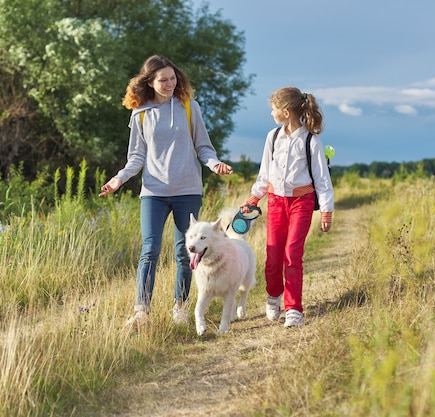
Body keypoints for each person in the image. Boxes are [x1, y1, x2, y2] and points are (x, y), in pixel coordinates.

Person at [99, 55, 233, 326]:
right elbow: (136, 157)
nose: (170, 83)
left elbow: (203, 147)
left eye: (173, 78)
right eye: (163, 80)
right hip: (153, 192)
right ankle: (141, 311)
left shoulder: (188, 107)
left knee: (186, 251)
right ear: (150, 82)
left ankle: (180, 307)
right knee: (149, 250)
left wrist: (214, 163)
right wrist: (118, 179)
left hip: (188, 190)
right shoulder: (140, 114)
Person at [240, 87, 334, 328]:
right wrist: (253, 198)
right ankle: (273, 296)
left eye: (273, 109)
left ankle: (294, 309)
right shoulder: (272, 137)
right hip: (275, 202)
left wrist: (326, 211)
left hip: (301, 203)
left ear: (286, 111)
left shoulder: (311, 141)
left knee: (292, 255)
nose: (271, 114)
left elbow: (322, 180)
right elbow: (264, 174)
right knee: (273, 256)